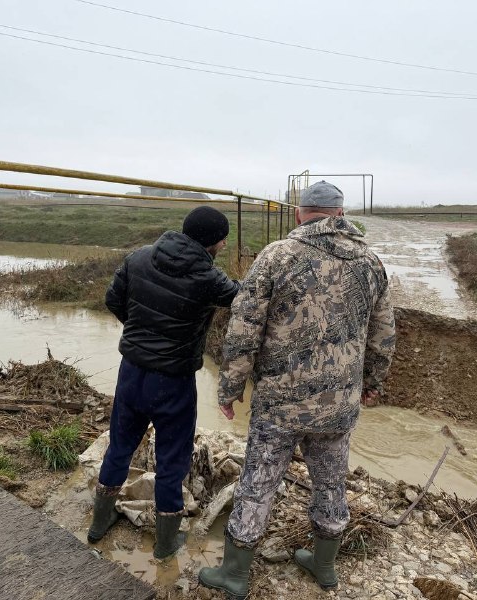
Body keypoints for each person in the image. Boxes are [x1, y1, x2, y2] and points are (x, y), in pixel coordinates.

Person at [198, 181, 396, 598]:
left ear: (298, 213)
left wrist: (229, 387)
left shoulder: (276, 256)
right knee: (330, 482)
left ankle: (235, 575)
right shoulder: (372, 262)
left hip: (280, 406)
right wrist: (372, 384)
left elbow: (243, 329)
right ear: (340, 214)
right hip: (338, 406)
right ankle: (324, 566)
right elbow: (383, 335)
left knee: (258, 483)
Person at [87, 205, 240, 560]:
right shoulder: (208, 278)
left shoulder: (139, 257)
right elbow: (241, 296)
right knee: (173, 459)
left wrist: (140, 333)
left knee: (120, 445)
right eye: (222, 240)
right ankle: (166, 543)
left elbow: (113, 300)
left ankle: (99, 522)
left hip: (132, 372)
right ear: (217, 242)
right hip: (174, 382)